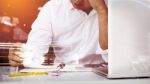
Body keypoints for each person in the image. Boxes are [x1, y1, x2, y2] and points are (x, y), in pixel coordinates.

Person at [8, 0, 108, 67]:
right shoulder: (52, 8)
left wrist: (102, 10)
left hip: (103, 74)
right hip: (63, 74)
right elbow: (35, 50)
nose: (76, 1)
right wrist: (22, 56)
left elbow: (114, 57)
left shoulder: (114, 8)